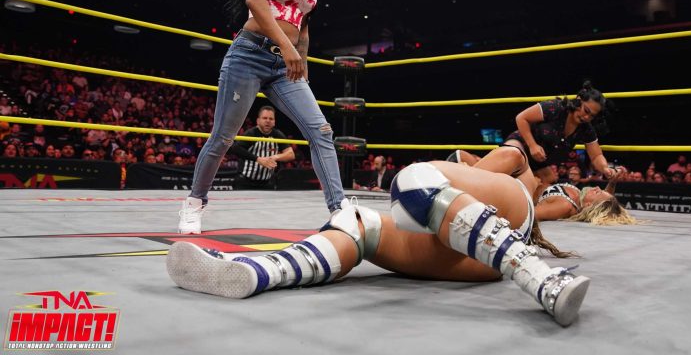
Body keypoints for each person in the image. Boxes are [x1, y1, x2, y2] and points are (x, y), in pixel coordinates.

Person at [167, 161, 590, 327]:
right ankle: (260, 270)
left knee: (413, 181)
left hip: (503, 216)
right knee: (356, 222)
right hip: (478, 255)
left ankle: (540, 276)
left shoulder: (522, 166)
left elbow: (493, 165)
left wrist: (454, 173)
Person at [178, 0, 347, 235]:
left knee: (321, 131)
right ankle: (194, 203)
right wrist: (287, 47)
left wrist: (302, 61)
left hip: (286, 67)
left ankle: (339, 210)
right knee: (223, 137)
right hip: (250, 54)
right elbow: (255, 0)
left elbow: (304, 25)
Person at [472, 82, 618, 188]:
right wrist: (532, 145)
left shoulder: (586, 129)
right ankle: (471, 176)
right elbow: (521, 118)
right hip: (522, 143)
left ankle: (528, 210)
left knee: (549, 183)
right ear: (579, 101)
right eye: (586, 111)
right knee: (512, 155)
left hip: (539, 161)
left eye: (592, 116)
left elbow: (596, 156)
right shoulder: (556, 107)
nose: (587, 117)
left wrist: (605, 169)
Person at [534, 169, 637, 224]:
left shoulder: (565, 206)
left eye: (597, 192)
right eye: (600, 190)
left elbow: (531, 214)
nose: (597, 187)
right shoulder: (579, 199)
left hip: (527, 189)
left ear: (588, 205)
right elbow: (604, 200)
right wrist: (612, 183)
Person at [228, 106, 295, 187]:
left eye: (271, 119)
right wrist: (258, 159)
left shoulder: (277, 135)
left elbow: (291, 154)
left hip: (267, 183)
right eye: (264, 118)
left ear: (274, 122)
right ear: (258, 121)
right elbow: (236, 148)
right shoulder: (251, 133)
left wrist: (275, 157)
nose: (268, 121)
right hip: (245, 181)